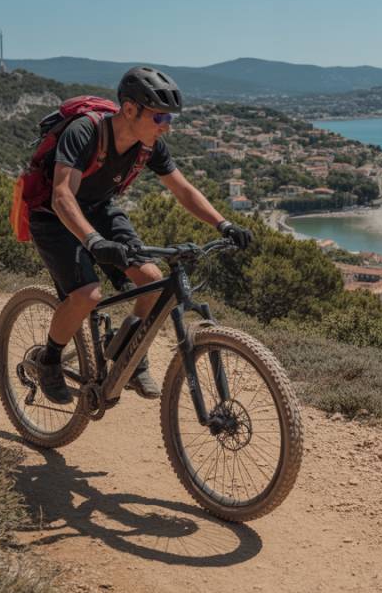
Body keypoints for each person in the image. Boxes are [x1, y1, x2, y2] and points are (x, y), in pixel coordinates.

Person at [29, 66, 252, 404]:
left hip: (98, 209)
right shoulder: (85, 132)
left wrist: (224, 225)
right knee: (87, 295)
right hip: (53, 215)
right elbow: (62, 196)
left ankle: (126, 352)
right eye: (160, 117)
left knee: (151, 281)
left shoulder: (148, 146)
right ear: (130, 109)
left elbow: (183, 190)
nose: (166, 127)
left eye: (170, 120)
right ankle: (48, 360)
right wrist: (94, 242)